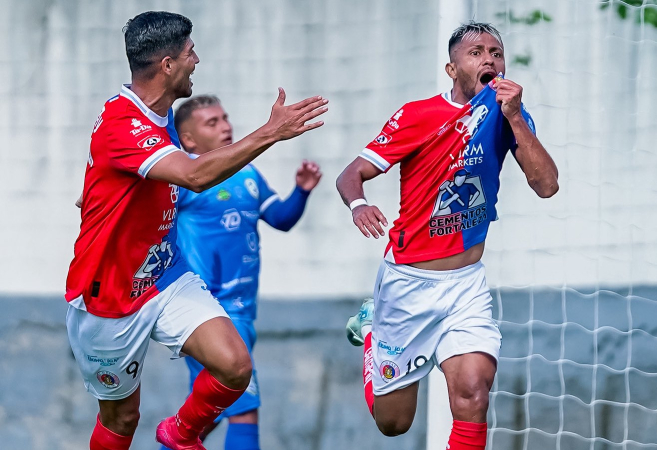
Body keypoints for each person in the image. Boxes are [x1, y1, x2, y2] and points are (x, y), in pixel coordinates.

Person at [64, 11, 327, 450]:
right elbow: (194, 176)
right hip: (107, 294)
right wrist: (271, 131)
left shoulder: (161, 113)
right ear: (167, 65)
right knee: (122, 418)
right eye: (190, 53)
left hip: (166, 276)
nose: (197, 59)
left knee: (235, 367)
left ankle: (182, 435)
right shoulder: (123, 122)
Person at [336, 22, 558, 449]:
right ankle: (370, 330)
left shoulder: (507, 115)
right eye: (476, 53)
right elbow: (352, 173)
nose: (489, 59)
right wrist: (358, 204)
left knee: (474, 390)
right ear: (452, 68)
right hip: (408, 284)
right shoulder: (415, 115)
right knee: (394, 424)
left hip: (465, 284)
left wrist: (514, 117)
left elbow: (547, 185)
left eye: (496, 52)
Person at [155, 95, 321, 450]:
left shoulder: (247, 173)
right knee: (244, 411)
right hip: (207, 314)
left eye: (225, 118)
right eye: (211, 122)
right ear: (189, 140)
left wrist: (302, 192)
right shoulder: (185, 177)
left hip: (243, 312)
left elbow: (280, 218)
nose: (226, 126)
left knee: (204, 417)